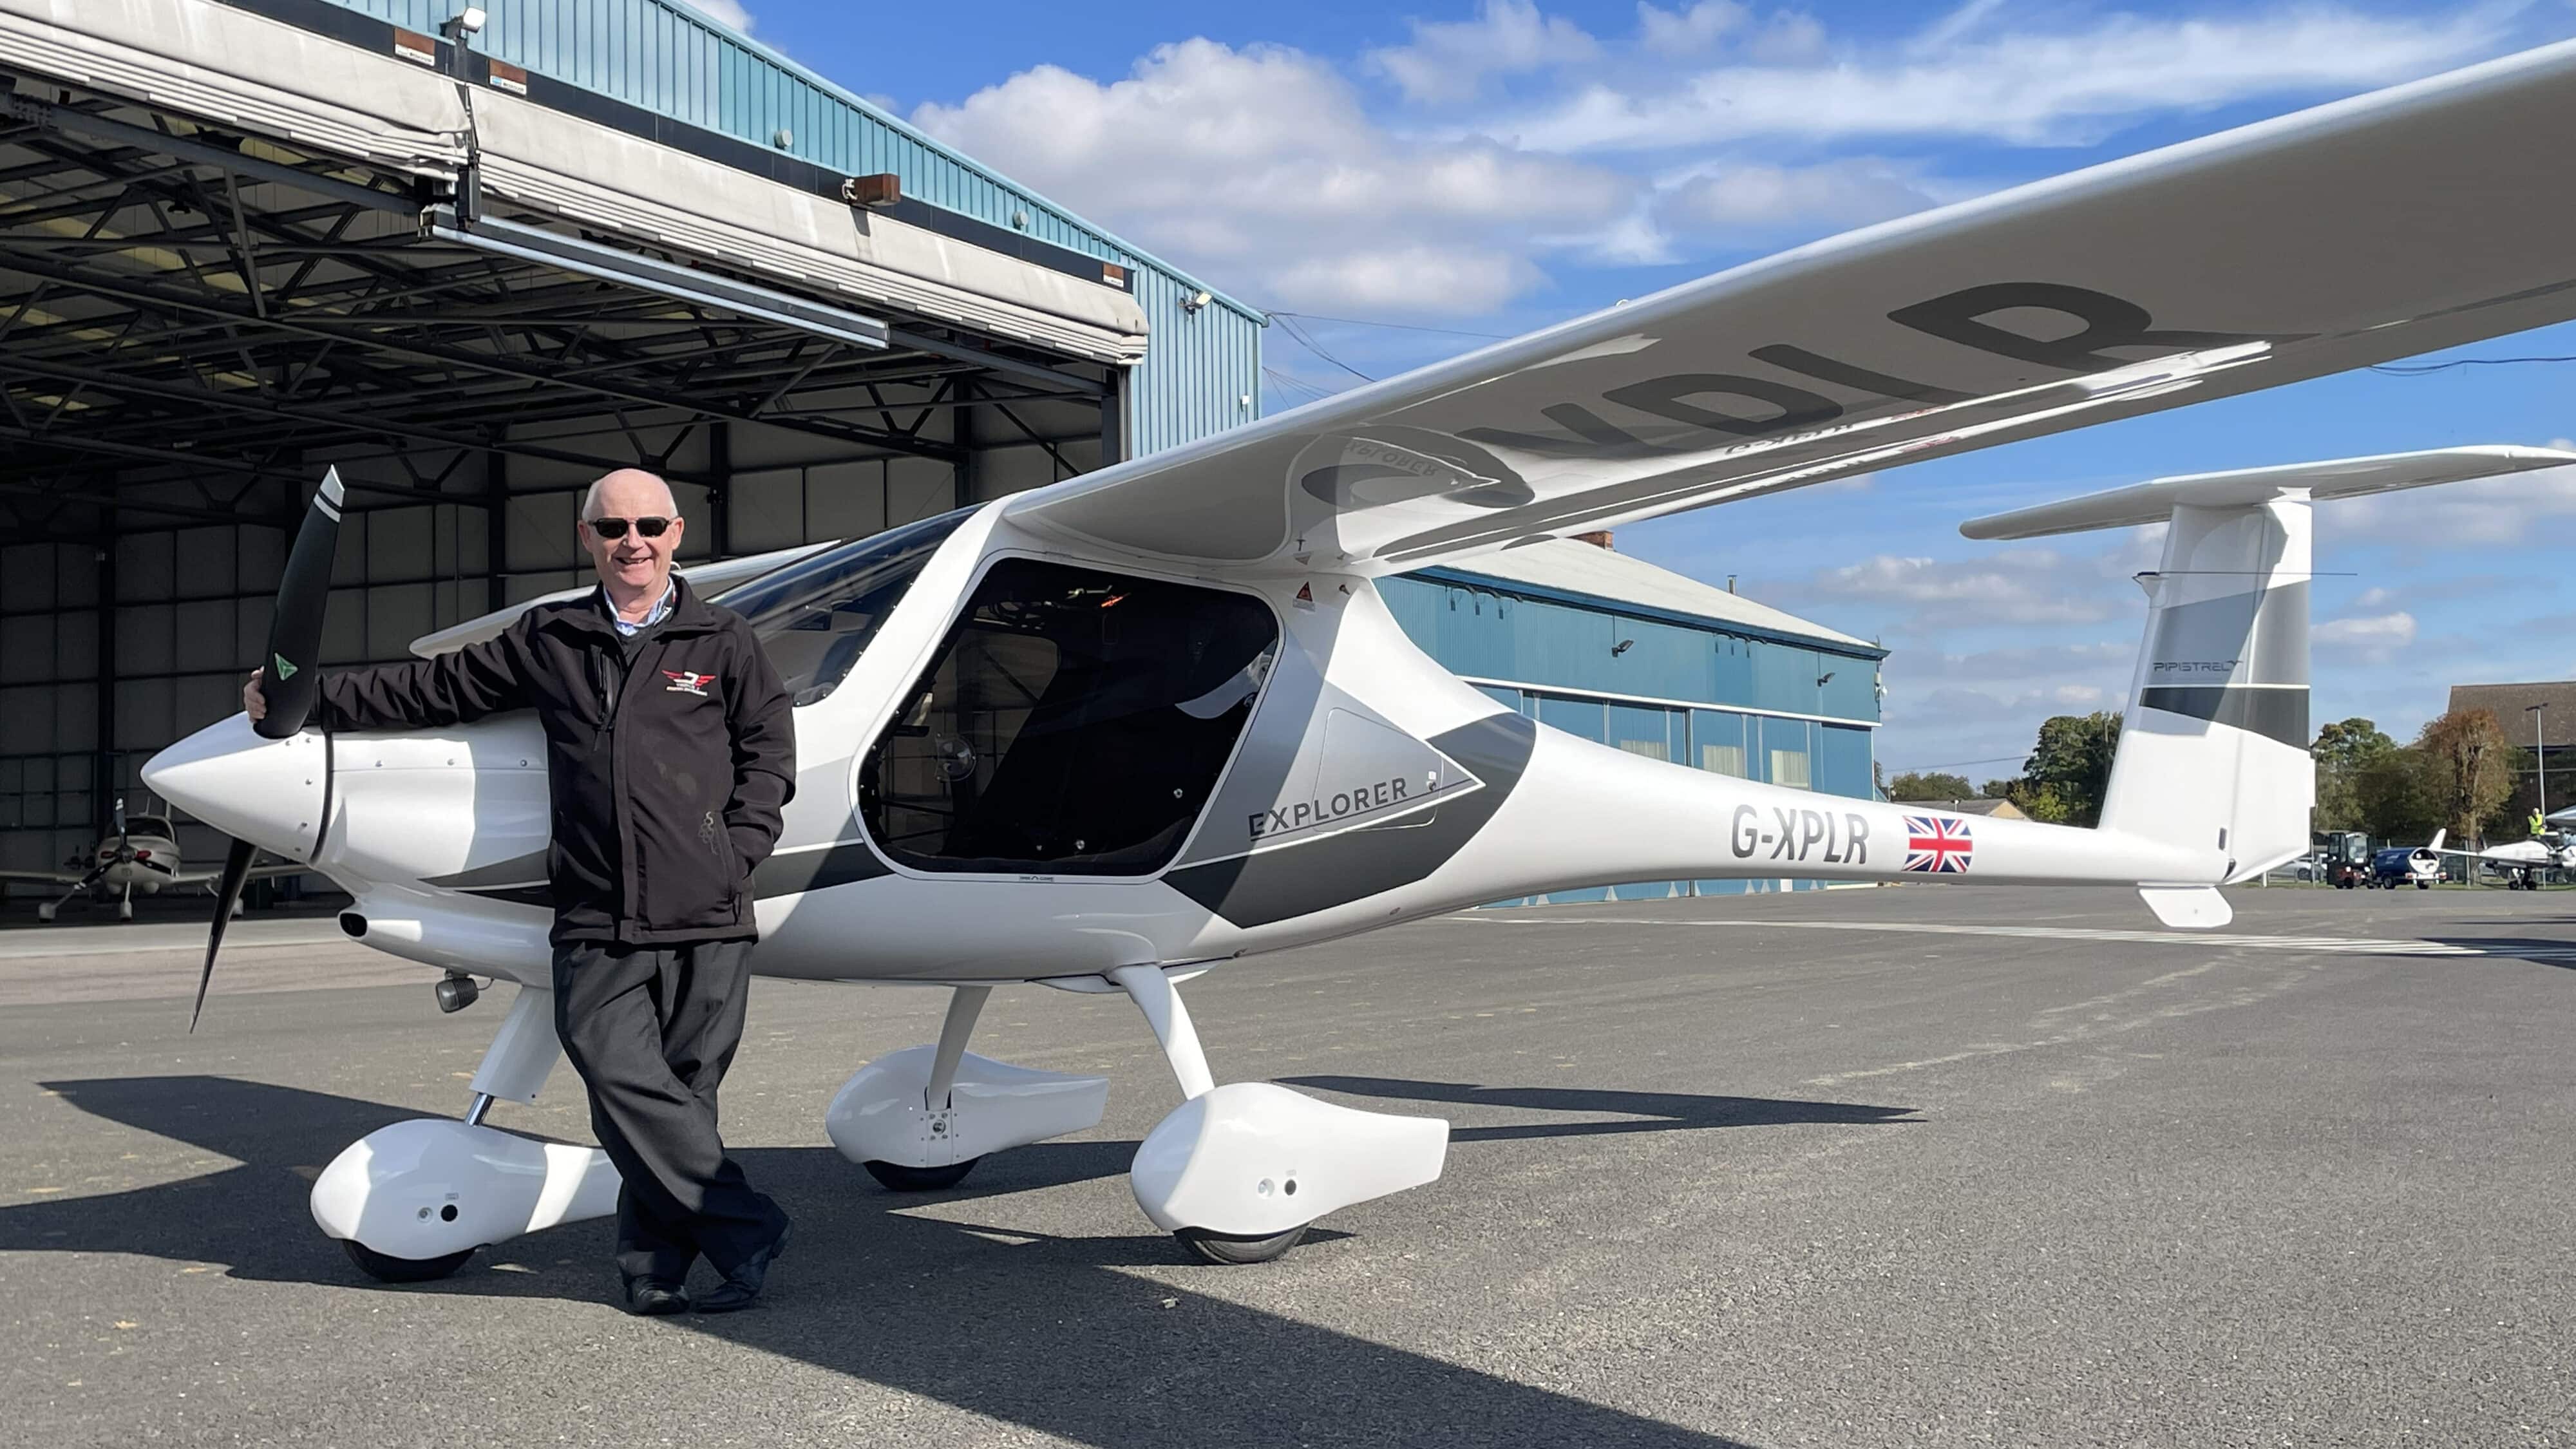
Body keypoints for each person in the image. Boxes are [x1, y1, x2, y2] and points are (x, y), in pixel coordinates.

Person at [245, 468, 796, 1316]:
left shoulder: (723, 640)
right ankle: (746, 1222)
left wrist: (742, 846)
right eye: (613, 528)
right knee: (622, 1082)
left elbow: (768, 747)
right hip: (595, 913)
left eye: (649, 524)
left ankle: (658, 1266)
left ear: (677, 532)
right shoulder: (552, 635)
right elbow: (433, 689)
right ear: (589, 539)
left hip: (709, 911)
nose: (633, 541)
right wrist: (306, 699)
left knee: (683, 1097)